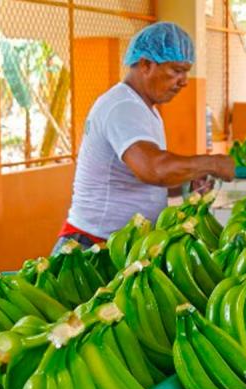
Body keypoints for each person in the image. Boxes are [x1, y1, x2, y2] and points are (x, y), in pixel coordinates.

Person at [53, 22, 235, 252]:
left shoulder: (145, 109)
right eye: (176, 70)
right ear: (146, 64)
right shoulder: (123, 107)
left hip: (121, 244)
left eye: (186, 72)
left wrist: (188, 180)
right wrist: (212, 163)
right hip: (92, 246)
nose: (184, 81)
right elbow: (153, 169)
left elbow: (145, 180)